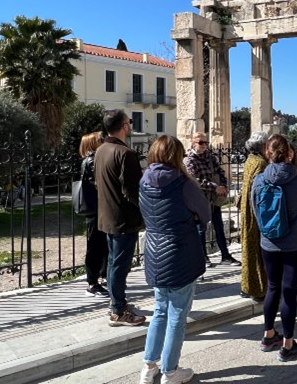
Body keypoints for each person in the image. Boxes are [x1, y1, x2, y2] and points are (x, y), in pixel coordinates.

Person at [138, 135, 211, 384]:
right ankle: (170, 370)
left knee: (159, 310)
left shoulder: (143, 181)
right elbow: (205, 212)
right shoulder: (183, 183)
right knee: (177, 314)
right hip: (180, 251)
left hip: (155, 251)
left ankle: (149, 366)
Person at [251, 134, 297, 362]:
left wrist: (268, 231)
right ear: (288, 152)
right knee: (289, 293)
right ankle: (288, 344)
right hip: (295, 242)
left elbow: (254, 210)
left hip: (269, 242)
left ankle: (269, 335)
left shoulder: (259, 180)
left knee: (272, 287)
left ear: (267, 152)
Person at [94, 109, 145, 326]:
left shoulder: (101, 150)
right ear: (124, 126)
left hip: (108, 216)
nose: (130, 125)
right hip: (124, 218)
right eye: (130, 122)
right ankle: (117, 310)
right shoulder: (125, 154)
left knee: (115, 262)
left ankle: (118, 303)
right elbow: (133, 192)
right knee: (119, 265)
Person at [184, 132, 241, 267]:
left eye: (206, 142)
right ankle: (203, 257)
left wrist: (223, 185)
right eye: (201, 143)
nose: (204, 145)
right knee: (201, 229)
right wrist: (215, 187)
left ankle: (225, 255)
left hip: (214, 199)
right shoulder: (189, 160)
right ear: (193, 143)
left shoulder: (210, 157)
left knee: (219, 227)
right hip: (200, 199)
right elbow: (194, 180)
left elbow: (221, 172)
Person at [238, 131, 269, 301]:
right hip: (256, 212)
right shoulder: (262, 164)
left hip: (246, 210)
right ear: (264, 146)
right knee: (257, 251)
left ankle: (246, 286)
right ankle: (258, 289)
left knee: (248, 250)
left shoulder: (250, 160)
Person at [78, 131, 109, 298]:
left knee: (103, 243)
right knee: (95, 245)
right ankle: (92, 282)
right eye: (100, 140)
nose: (104, 141)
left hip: (100, 207)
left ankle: (102, 276)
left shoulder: (94, 159)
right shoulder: (92, 161)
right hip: (95, 208)